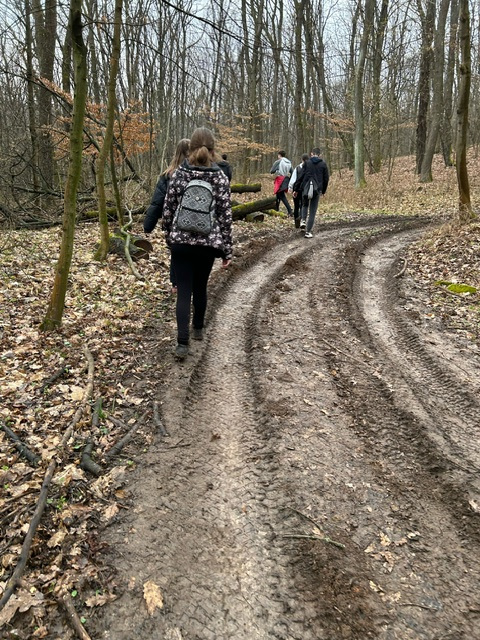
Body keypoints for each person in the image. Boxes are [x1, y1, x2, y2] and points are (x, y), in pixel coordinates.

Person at [162, 127, 233, 359]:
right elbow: (225, 216)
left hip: (181, 242)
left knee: (183, 291)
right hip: (207, 244)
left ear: (190, 149)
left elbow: (168, 209)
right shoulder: (220, 178)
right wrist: (226, 250)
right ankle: (199, 329)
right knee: (200, 287)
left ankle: (182, 344)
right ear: (213, 150)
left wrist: (169, 236)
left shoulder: (179, 175)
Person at [144, 138, 190, 292]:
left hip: (173, 221)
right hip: (193, 220)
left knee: (176, 252)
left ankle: (176, 283)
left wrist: (148, 225)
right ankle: (188, 282)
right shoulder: (197, 173)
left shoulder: (168, 174)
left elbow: (157, 202)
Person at [293, 147, 329, 238]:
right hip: (317, 190)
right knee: (312, 211)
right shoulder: (323, 164)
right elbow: (326, 179)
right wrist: (323, 191)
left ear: (311, 154)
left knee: (304, 205)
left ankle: (303, 220)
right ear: (320, 155)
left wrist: (296, 189)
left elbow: (300, 177)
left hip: (305, 188)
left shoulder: (307, 163)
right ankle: (308, 232)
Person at [288, 153, 309, 228]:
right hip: (305, 189)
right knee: (303, 205)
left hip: (296, 189)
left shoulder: (297, 168)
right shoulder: (309, 169)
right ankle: (302, 218)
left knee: (296, 206)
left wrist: (290, 188)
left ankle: (296, 222)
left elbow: (293, 179)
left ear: (301, 160)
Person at [270, 150, 293, 217]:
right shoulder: (289, 162)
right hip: (286, 179)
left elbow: (271, 171)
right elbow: (292, 172)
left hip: (280, 179)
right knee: (278, 195)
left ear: (279, 155)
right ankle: (276, 209)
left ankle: (290, 210)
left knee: (282, 196)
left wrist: (276, 170)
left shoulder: (278, 162)